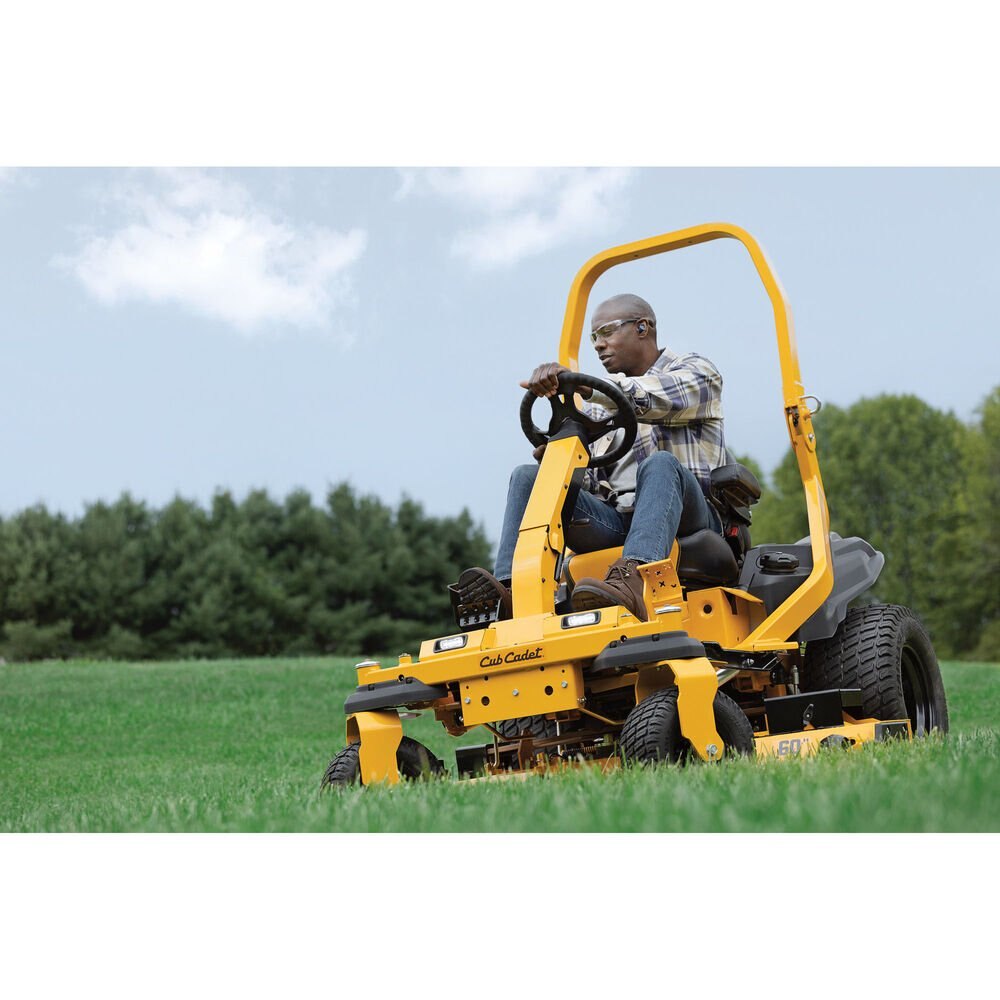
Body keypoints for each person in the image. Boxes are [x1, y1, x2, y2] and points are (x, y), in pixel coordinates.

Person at [457, 293, 726, 622]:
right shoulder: (598, 412)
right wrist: (557, 463)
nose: (598, 345)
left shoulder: (697, 372)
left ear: (643, 328)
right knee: (528, 477)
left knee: (660, 464)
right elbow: (591, 486)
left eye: (607, 332)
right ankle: (512, 592)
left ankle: (632, 581)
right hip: (617, 521)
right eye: (594, 337)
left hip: (687, 517)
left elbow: (652, 396)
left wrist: (587, 388)